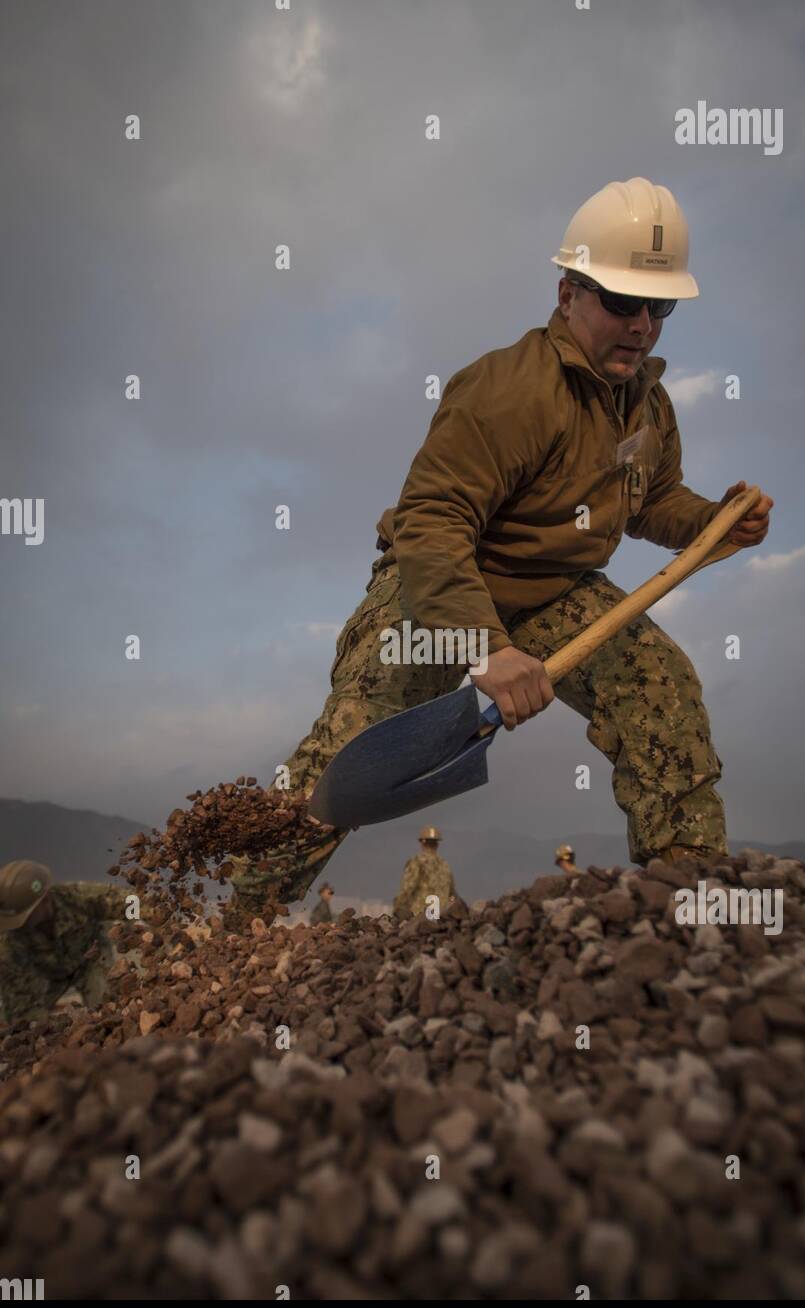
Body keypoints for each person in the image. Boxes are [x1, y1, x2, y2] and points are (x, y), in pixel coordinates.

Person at [228, 177, 772, 923]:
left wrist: (716, 521)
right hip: (443, 583)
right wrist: (484, 646)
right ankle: (237, 922)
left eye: (660, 308)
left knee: (660, 688)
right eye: (620, 303)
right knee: (344, 763)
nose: (642, 325)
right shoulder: (508, 391)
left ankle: (691, 893)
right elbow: (434, 520)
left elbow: (652, 501)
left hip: (557, 589)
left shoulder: (647, 403)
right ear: (568, 292)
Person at [0, 860, 128, 1024]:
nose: (18, 924)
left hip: (91, 959)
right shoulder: (9, 945)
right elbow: (22, 1006)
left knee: (107, 1005)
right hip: (46, 975)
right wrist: (61, 1028)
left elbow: (128, 903)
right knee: (20, 1025)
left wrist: (154, 920)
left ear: (45, 899)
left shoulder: (77, 896)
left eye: (23, 916)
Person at [393, 828, 456, 921]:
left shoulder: (416, 862)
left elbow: (408, 888)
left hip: (420, 917)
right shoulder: (444, 865)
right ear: (437, 844)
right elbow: (452, 893)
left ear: (422, 843)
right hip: (441, 918)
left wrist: (397, 906)